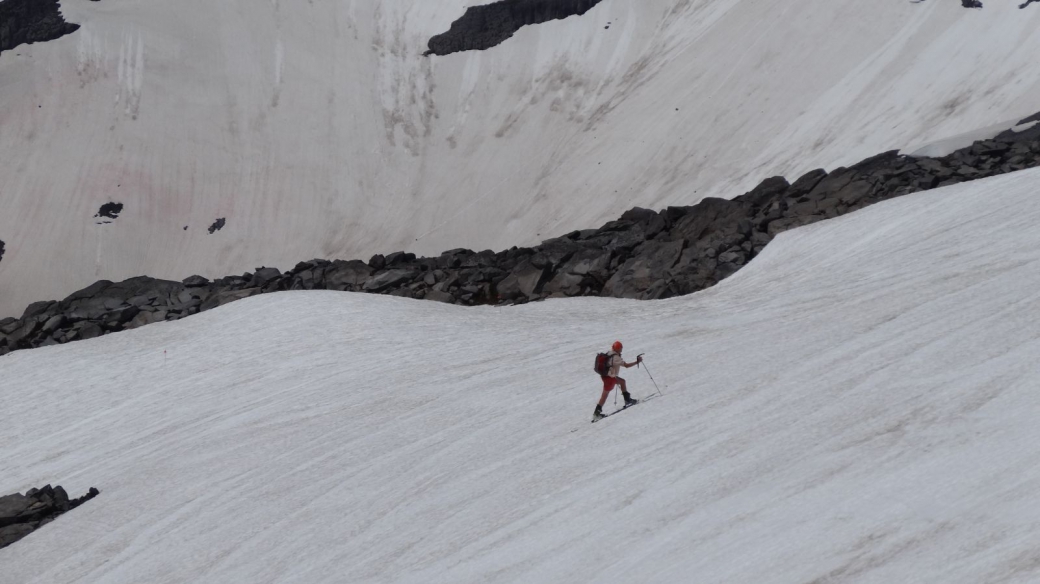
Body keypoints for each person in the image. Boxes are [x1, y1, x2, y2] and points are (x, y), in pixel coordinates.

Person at [593, 341, 642, 420]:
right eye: (621, 348)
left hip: (606, 376)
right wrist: (637, 362)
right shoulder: (615, 357)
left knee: (622, 382)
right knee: (605, 395)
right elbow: (626, 365)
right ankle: (596, 414)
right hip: (610, 379)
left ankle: (627, 399)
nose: (621, 350)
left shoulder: (609, 353)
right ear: (619, 349)